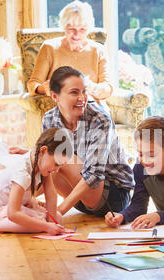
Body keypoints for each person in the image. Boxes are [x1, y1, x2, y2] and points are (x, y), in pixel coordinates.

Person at [42, 65, 133, 217]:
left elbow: (94, 175)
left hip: (113, 197)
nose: (82, 98)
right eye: (74, 92)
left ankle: (52, 212)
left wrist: (58, 212)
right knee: (43, 159)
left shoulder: (100, 119)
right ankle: (23, 205)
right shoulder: (49, 118)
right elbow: (45, 166)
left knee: (61, 155)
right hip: (81, 200)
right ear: (54, 96)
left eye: (84, 91)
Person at [27, 0, 113, 101]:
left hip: (91, 108)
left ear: (88, 28)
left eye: (82, 29)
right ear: (64, 27)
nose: (76, 34)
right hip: (59, 108)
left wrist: (93, 88)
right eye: (71, 29)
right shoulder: (49, 48)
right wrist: (44, 88)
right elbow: (33, 85)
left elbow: (108, 87)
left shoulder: (98, 50)